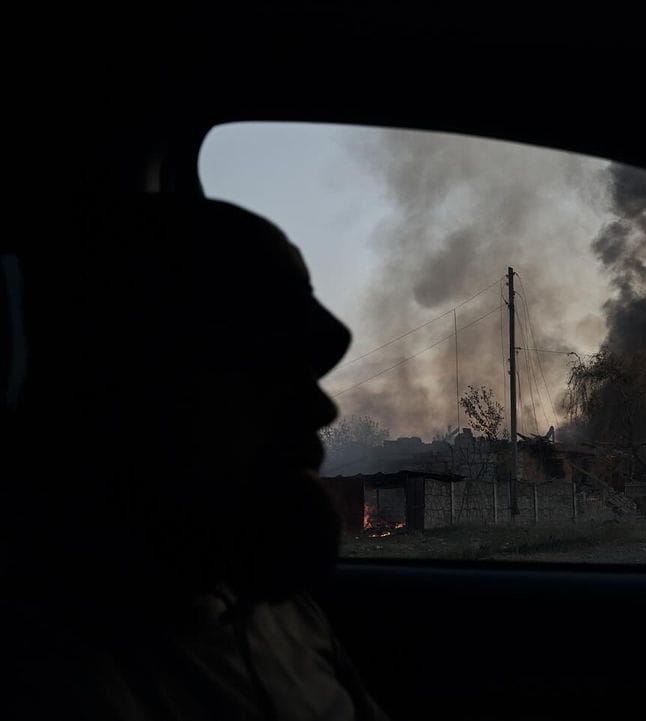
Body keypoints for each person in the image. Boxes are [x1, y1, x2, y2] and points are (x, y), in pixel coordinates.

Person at [2, 195, 387, 720]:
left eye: (306, 379)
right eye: (261, 378)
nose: (321, 409)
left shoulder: (281, 609)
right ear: (122, 395)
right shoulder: (48, 677)